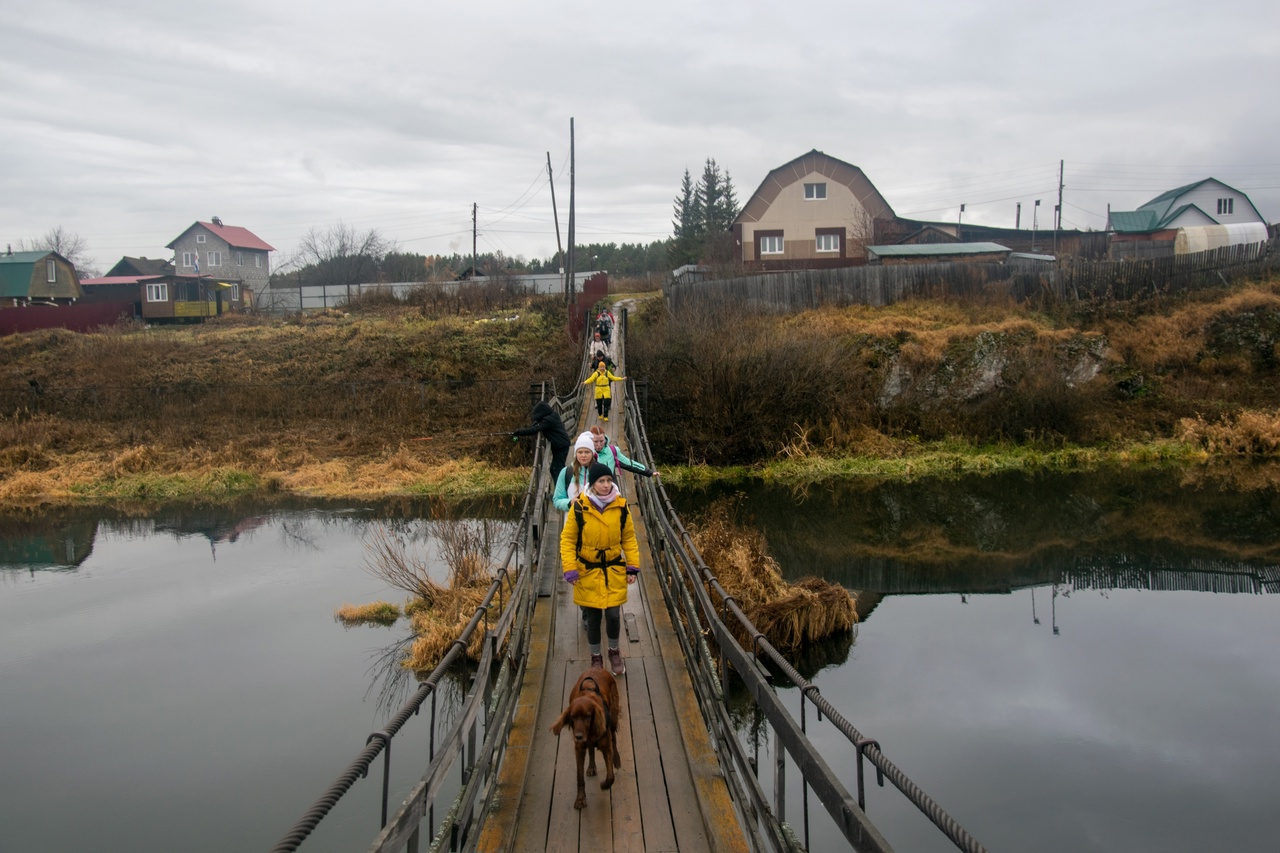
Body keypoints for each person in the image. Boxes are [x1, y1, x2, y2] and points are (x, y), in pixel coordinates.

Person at [560, 462, 639, 675]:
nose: (606, 485)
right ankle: (596, 657)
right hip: (588, 570)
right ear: (592, 484)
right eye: (601, 481)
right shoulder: (579, 507)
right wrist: (569, 568)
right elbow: (567, 539)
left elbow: (629, 537)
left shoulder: (621, 506)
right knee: (593, 616)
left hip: (613, 569)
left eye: (609, 480)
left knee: (613, 614)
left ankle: (614, 651)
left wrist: (632, 566)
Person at [512, 400, 571, 480]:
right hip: (560, 445)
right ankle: (560, 488)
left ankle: (562, 489)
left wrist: (519, 432)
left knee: (557, 468)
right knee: (554, 468)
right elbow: (536, 425)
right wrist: (532, 426)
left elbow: (535, 429)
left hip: (561, 446)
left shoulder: (548, 421)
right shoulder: (552, 416)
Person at [589, 425, 659, 482]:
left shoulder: (612, 451)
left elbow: (629, 463)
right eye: (596, 441)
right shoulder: (585, 453)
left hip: (609, 489)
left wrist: (649, 472)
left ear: (605, 439)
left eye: (601, 441)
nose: (599, 444)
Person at [553, 433, 597, 512]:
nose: (583, 455)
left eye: (587, 452)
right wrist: (569, 503)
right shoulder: (566, 472)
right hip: (573, 521)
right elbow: (557, 499)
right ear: (575, 454)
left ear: (592, 453)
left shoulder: (600, 471)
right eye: (580, 452)